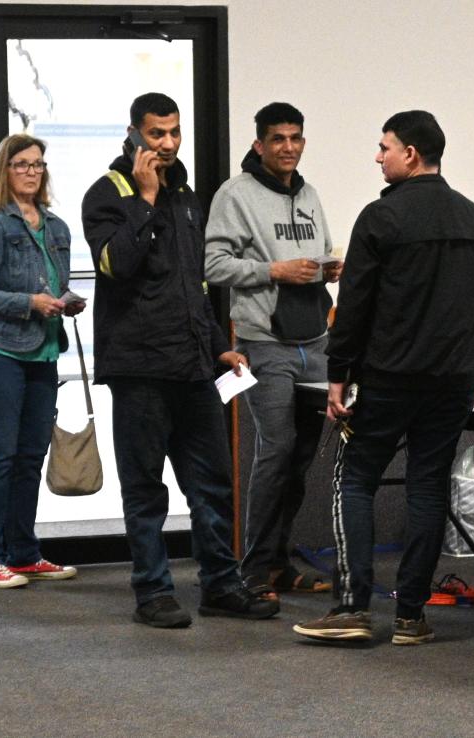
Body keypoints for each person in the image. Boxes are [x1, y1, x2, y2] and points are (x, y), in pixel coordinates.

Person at [293, 111, 474, 645]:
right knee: (428, 486)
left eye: (384, 147)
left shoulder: (380, 219)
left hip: (389, 377)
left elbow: (356, 305)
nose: (377, 156)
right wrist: (473, 368)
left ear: (410, 153)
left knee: (355, 479)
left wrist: (338, 374)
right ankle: (411, 616)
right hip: (452, 382)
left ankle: (352, 608)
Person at [82, 92, 279, 627]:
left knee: (212, 481)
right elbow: (116, 266)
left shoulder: (189, 198)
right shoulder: (106, 195)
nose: (167, 144)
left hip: (195, 365)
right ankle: (153, 592)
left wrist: (220, 344)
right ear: (134, 135)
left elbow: (194, 287)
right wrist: (144, 199)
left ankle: (220, 585)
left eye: (173, 133)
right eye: (156, 135)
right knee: (145, 487)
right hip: (140, 369)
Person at [204, 102, 340, 599]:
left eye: (296, 138)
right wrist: (272, 272)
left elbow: (319, 249)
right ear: (259, 144)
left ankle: (279, 563)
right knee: (276, 450)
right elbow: (215, 265)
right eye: (278, 138)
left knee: (301, 457)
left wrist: (329, 268)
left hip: (315, 342)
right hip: (264, 344)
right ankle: (254, 569)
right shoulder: (234, 196)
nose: (288, 147)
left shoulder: (310, 194)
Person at [0, 133, 84, 589]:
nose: (32, 172)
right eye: (22, 165)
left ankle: (24, 552)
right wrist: (30, 302)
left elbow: (51, 285)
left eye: (37, 165)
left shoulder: (56, 227)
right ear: (5, 171)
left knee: (31, 454)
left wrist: (62, 302)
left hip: (42, 350)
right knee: (1, 454)